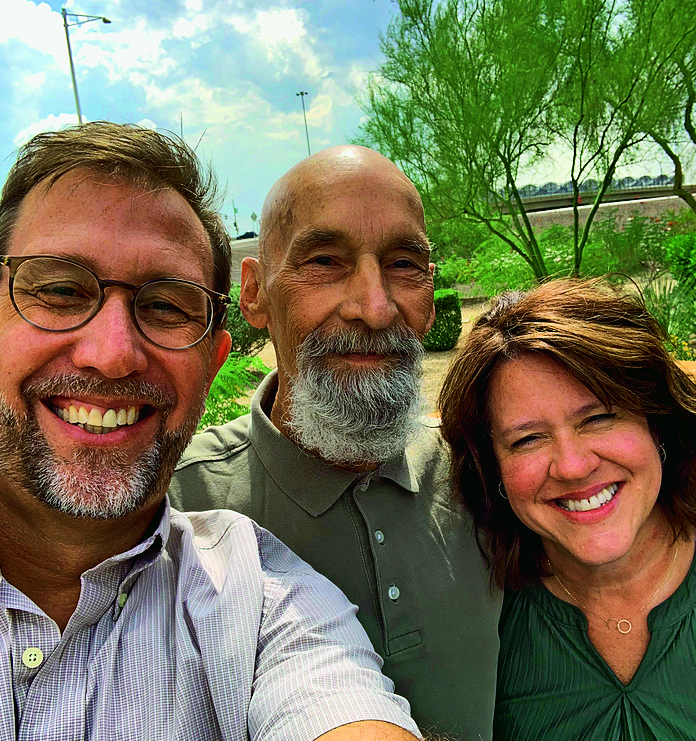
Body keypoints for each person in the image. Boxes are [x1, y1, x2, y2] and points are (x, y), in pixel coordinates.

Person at [0, 122, 422, 740]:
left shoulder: (260, 598)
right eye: (60, 290)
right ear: (255, 296)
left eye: (167, 305)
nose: (112, 354)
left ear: (212, 361)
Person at [169, 145, 501, 740]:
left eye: (404, 263)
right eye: (324, 261)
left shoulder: (485, 477)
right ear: (254, 294)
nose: (375, 308)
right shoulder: (174, 511)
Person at [439, 278, 696, 740]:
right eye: (528, 439)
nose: (574, 466)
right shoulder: (476, 625)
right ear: (493, 471)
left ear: (655, 421)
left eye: (599, 417)